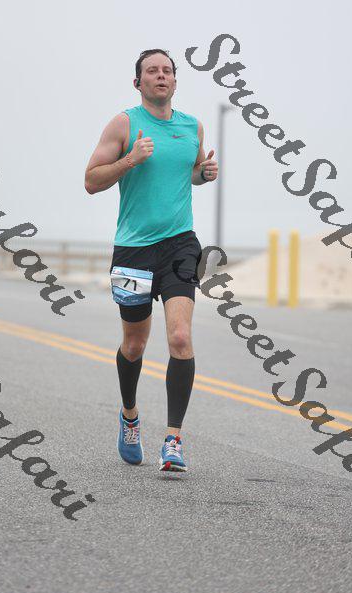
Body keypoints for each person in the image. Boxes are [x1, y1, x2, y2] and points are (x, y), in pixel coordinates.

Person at [84, 48, 218, 472]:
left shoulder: (192, 126)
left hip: (180, 245)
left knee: (179, 337)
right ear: (138, 82)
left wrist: (203, 175)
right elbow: (91, 181)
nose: (161, 76)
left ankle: (173, 439)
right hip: (133, 250)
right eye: (152, 71)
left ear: (175, 81)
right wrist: (130, 159)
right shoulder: (124, 124)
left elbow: (190, 172)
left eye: (167, 71)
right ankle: (129, 416)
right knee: (134, 344)